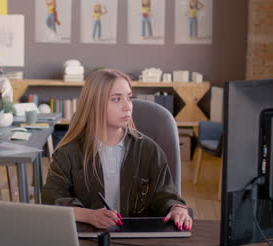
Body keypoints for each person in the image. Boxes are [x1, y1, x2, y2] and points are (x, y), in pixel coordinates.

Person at [42, 69, 192, 231]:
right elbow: (52, 201)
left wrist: (177, 208)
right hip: (88, 239)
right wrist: (89, 215)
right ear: (94, 104)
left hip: (140, 240)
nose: (127, 107)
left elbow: (166, 195)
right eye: (116, 99)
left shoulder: (149, 150)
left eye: (129, 98)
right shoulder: (67, 153)